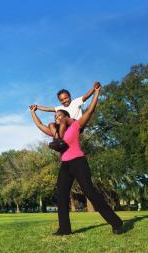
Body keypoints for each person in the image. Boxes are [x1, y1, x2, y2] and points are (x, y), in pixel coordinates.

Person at [29, 84, 124, 235]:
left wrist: (97, 93)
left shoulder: (75, 126)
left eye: (59, 116)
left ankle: (116, 223)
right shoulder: (56, 134)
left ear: (66, 117)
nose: (57, 118)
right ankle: (64, 229)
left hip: (78, 162)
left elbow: (90, 110)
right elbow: (40, 124)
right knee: (61, 195)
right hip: (65, 165)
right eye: (55, 116)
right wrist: (33, 112)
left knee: (90, 192)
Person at [35, 82, 101, 136]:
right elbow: (48, 109)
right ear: (59, 101)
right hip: (66, 128)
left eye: (66, 98)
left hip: (76, 124)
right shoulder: (60, 108)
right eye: (61, 100)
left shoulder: (76, 102)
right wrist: (37, 107)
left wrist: (94, 88)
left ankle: (60, 140)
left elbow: (86, 96)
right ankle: (58, 140)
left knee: (64, 119)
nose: (64, 101)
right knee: (51, 124)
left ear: (70, 96)